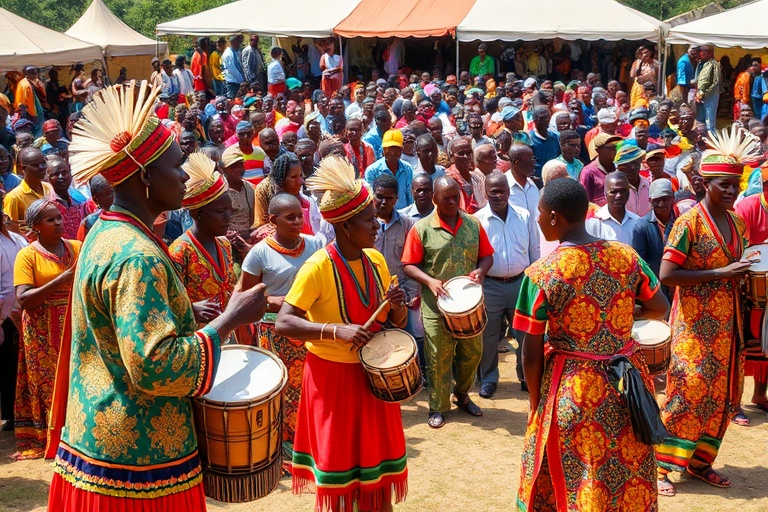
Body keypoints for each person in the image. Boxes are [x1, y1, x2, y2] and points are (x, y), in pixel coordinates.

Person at [46, 81, 267, 511]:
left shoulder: (104, 232)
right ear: (146, 177)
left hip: (97, 443)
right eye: (177, 166)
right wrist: (229, 320)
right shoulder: (138, 257)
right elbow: (154, 365)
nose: (186, 175)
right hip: (137, 467)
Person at [513, 177, 668, 511]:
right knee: (625, 469)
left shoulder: (541, 274)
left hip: (574, 389)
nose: (538, 219)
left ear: (554, 217)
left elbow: (530, 349)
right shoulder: (625, 256)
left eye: (540, 213)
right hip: (628, 384)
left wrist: (535, 403)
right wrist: (624, 309)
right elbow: (660, 307)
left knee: (581, 475)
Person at [275, 155, 408, 512]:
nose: (377, 224)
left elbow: (395, 321)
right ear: (346, 226)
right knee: (340, 478)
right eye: (368, 220)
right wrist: (335, 330)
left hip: (374, 378)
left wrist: (396, 304)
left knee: (376, 474)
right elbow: (284, 322)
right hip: (332, 380)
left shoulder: (376, 261)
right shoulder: (317, 266)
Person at [655, 130, 756, 497]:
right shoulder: (688, 223)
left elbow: (738, 267)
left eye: (735, 185)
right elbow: (667, 275)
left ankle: (700, 462)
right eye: (723, 185)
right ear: (705, 183)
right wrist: (719, 274)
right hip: (693, 326)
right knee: (688, 392)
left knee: (721, 395)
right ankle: (663, 465)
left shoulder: (738, 223)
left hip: (729, 327)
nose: (731, 191)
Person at [402, 176, 494, 428]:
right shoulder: (421, 228)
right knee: (438, 357)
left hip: (468, 305)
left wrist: (480, 271)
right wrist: (430, 281)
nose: (453, 201)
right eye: (447, 198)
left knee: (472, 353)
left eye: (456, 197)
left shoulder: (473, 224)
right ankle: (438, 406)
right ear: (434, 199)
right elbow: (408, 264)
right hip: (436, 306)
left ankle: (462, 396)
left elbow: (487, 257)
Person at [241, 193, 324, 470]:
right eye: (291, 218)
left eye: (300, 215)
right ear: (273, 220)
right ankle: (287, 454)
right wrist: (274, 301)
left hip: (309, 328)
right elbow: (245, 296)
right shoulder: (259, 254)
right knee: (284, 391)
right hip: (275, 332)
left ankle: (313, 448)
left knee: (311, 390)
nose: (299, 221)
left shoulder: (314, 245)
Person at [12, 200, 81, 459]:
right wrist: (62, 279)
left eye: (59, 218)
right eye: (51, 220)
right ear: (37, 227)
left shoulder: (76, 247)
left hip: (75, 324)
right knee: (47, 381)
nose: (58, 223)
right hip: (42, 329)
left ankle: (75, 432)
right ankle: (46, 435)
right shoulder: (28, 255)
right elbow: (24, 298)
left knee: (76, 376)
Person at [474, 172, 539, 398]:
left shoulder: (524, 215)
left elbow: (534, 250)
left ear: (509, 192)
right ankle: (489, 379)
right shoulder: (478, 220)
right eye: (493, 192)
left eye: (502, 191)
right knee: (489, 337)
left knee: (524, 335)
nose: (498, 195)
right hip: (491, 285)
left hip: (521, 283)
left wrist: (534, 281)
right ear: (486, 193)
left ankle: (524, 377)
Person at [169, 152, 238, 331]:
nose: (228, 217)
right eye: (221, 211)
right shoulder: (180, 251)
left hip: (230, 335)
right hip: (200, 341)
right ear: (197, 213)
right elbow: (168, 304)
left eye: (229, 210)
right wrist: (191, 310)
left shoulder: (224, 245)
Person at [735, 165, 768, 415]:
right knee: (743, 345)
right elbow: (736, 247)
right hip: (749, 285)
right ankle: (734, 403)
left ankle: (759, 395)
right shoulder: (747, 208)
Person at [0, 189, 28, 433]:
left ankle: (14, 412)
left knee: (14, 365)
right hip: (4, 315)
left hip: (20, 312)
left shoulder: (17, 239)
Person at [631, 178, 676, 299]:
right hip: (656, 289)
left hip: (679, 284)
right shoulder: (642, 226)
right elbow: (640, 264)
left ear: (673, 199)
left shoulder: (681, 222)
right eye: (657, 201)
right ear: (650, 201)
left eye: (665, 199)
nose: (661, 204)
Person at [4, 147, 55, 234]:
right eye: (35, 165)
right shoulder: (14, 197)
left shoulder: (48, 187)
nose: (41, 168)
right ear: (23, 168)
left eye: (43, 163)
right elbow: (10, 228)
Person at [364, 130, 414, 210]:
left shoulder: (407, 169)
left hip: (404, 215)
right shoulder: (373, 171)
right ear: (383, 149)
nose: (391, 152)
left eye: (394, 148)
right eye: (387, 148)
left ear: (401, 150)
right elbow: (371, 198)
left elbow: (410, 196)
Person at [586, 171, 639, 244]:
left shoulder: (637, 222)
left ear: (628, 193)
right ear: (605, 194)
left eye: (622, 191)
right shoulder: (593, 224)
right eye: (613, 192)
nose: (618, 196)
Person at [47, 156, 93, 239]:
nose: (61, 177)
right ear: (48, 178)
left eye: (64, 173)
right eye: (56, 174)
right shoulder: (48, 205)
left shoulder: (76, 201)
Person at [221, 144, 256, 242]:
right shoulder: (220, 191)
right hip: (228, 240)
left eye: (241, 165)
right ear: (225, 169)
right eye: (234, 166)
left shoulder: (250, 188)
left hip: (249, 237)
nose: (240, 169)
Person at [579, 133, 621, 206]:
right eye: (612, 149)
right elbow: (585, 200)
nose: (616, 151)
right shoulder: (588, 172)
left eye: (616, 148)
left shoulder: (620, 168)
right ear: (598, 150)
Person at [445, 136, 484, 214]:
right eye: (461, 154)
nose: (466, 157)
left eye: (469, 153)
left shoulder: (477, 176)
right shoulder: (448, 180)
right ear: (451, 157)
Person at [614, 144, 651, 217]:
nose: (633, 167)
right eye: (627, 165)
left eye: (636, 163)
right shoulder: (614, 189)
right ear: (618, 167)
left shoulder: (649, 185)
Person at [505, 143, 540, 220]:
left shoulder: (532, 186)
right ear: (516, 162)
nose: (534, 163)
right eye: (531, 159)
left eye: (534, 159)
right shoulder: (503, 186)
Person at [528, 106, 560, 182]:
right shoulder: (529, 139)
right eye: (543, 117)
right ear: (535, 120)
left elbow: (559, 156)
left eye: (548, 117)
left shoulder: (554, 137)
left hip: (554, 178)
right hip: (538, 180)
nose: (547, 120)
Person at [77, 175, 113, 241]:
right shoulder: (89, 223)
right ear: (95, 199)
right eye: (111, 194)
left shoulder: (131, 213)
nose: (116, 197)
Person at [695, 45, 722, 130]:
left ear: (709, 53)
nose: (700, 54)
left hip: (710, 94)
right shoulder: (702, 63)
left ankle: (712, 138)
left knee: (709, 119)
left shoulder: (714, 64)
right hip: (701, 94)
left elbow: (715, 82)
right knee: (701, 118)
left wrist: (704, 92)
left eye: (702, 52)